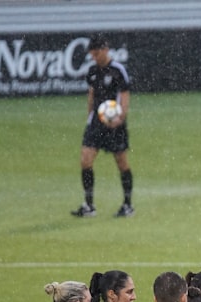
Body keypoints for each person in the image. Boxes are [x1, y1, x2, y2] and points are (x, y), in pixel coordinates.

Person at [71, 34, 134, 219]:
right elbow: (91, 94)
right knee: (85, 160)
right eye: (92, 54)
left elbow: (124, 95)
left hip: (115, 123)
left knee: (121, 163)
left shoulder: (117, 70)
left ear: (105, 50)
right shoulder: (92, 71)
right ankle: (89, 205)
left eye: (96, 53)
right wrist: (89, 116)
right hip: (96, 123)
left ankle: (127, 205)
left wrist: (120, 118)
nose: (94, 57)